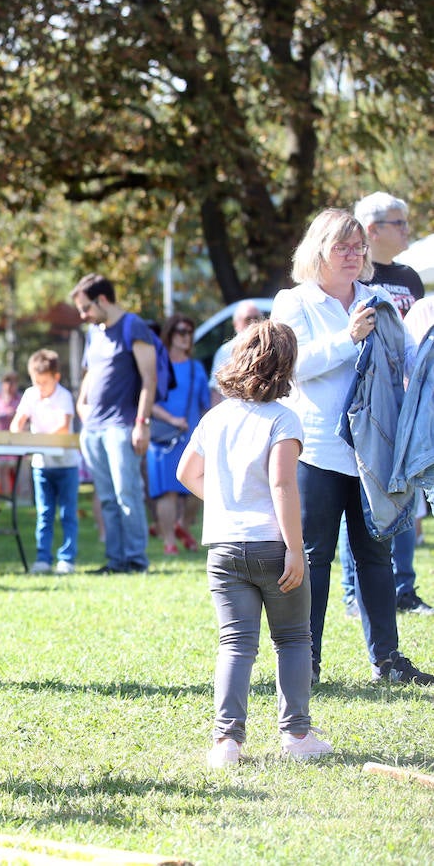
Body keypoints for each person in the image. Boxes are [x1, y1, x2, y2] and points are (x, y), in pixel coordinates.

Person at [271, 207, 433, 686]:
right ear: (318, 250)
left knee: (375, 556)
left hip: (372, 452)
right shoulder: (293, 302)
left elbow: (403, 354)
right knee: (314, 558)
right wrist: (348, 337)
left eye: (358, 247)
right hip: (317, 448)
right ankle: (308, 661)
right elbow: (293, 366)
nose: (352, 255)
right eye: (341, 247)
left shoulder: (377, 297)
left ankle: (388, 661)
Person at [176, 320, 333, 767]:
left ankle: (227, 742)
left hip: (224, 548)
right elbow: (283, 485)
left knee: (235, 644)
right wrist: (296, 547)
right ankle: (297, 735)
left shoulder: (215, 417)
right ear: (286, 367)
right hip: (271, 545)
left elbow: (187, 474)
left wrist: (227, 502)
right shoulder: (284, 419)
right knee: (293, 639)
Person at [338, 192, 430, 616]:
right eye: (400, 223)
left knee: (404, 493)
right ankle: (356, 593)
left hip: (404, 405)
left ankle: (403, 588)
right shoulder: (354, 278)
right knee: (359, 497)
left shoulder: (411, 278)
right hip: (363, 404)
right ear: (372, 230)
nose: (408, 231)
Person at [71, 273, 157, 574]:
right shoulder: (95, 333)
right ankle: (116, 561)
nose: (84, 316)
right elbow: (89, 374)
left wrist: (142, 423)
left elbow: (149, 378)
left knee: (127, 493)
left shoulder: (133, 326)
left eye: (86, 308)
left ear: (103, 299)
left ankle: (136, 560)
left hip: (121, 425)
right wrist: (81, 404)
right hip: (92, 427)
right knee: (107, 497)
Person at [10, 349, 80, 575]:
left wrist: (39, 439)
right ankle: (43, 558)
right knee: (44, 513)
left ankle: (67, 558)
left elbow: (62, 425)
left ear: (56, 377)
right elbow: (17, 422)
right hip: (41, 465)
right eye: (36, 382)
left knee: (68, 513)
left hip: (66, 464)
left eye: (45, 382)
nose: (41, 387)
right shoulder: (30, 395)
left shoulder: (64, 396)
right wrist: (17, 433)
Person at [148, 315, 211, 555]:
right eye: (181, 332)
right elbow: (148, 401)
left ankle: (182, 525)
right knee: (167, 492)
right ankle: (169, 541)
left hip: (191, 437)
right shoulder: (158, 365)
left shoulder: (196, 368)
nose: (186, 337)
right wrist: (171, 419)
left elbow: (205, 402)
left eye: (189, 332)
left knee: (196, 489)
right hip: (163, 437)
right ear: (170, 334)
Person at [209, 301, 263, 405]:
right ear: (235, 324)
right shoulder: (226, 351)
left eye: (256, 318)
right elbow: (216, 389)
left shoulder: (269, 348)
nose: (253, 323)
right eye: (248, 319)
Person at [0, 370, 23, 495]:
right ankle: (5, 495)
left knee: (17, 469)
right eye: (7, 382)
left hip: (16, 440)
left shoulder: (20, 399)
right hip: (1, 440)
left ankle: (18, 496)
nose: (9, 386)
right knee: (2, 469)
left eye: (12, 383)